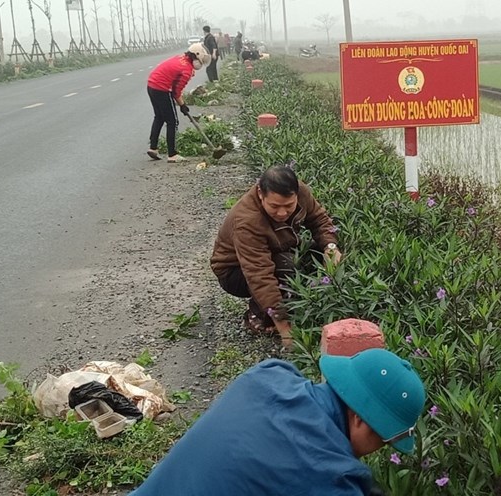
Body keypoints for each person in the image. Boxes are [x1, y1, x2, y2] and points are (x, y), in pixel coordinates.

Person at [129, 347, 426, 495]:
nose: (380, 449)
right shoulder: (327, 476)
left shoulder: (268, 375)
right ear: (361, 417)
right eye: (385, 439)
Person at [210, 165, 342, 348]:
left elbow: (319, 220)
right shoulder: (247, 221)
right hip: (235, 272)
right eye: (274, 206)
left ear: (296, 193)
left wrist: (331, 247)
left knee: (320, 254)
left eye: (289, 206)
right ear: (260, 193)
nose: (282, 213)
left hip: (278, 252)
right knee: (286, 266)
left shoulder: (301, 191)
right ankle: (259, 314)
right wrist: (285, 328)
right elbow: (259, 274)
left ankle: (300, 302)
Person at [145, 43, 210, 163]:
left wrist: (181, 104)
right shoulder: (186, 69)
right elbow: (176, 91)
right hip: (162, 89)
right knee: (172, 121)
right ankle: (172, 154)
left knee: (159, 117)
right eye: (201, 60)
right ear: (196, 55)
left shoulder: (181, 58)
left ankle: (153, 148)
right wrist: (183, 105)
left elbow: (175, 85)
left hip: (151, 85)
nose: (201, 63)